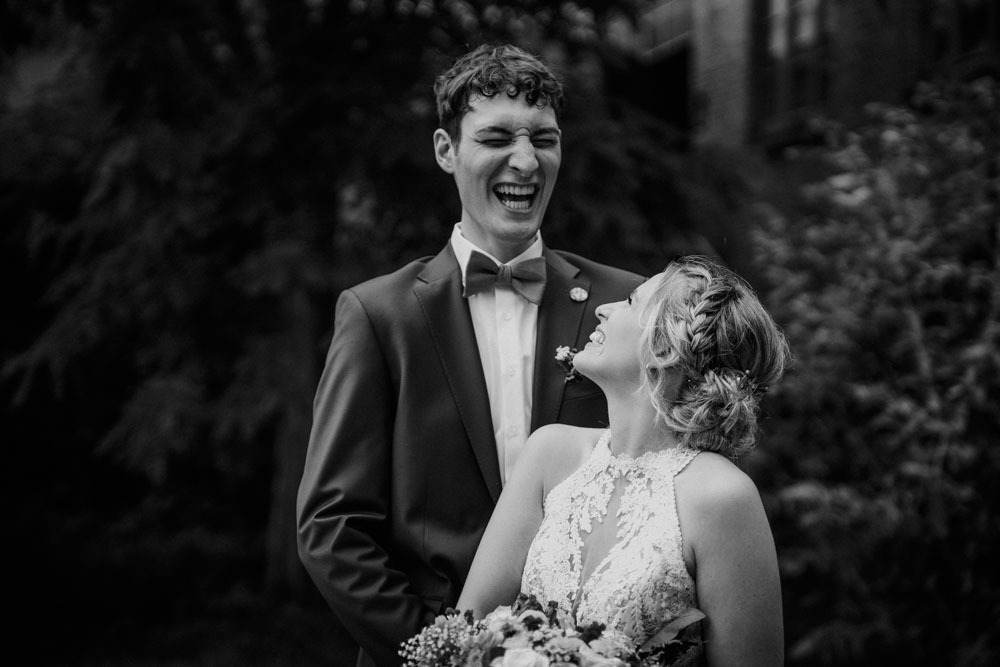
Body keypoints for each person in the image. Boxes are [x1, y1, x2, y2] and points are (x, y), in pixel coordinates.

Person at [296, 43, 643, 667]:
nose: (525, 160)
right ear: (445, 150)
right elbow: (332, 525)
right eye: (497, 138)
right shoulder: (379, 316)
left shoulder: (626, 307)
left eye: (543, 139)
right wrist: (441, 655)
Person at [457, 255, 791, 666]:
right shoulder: (548, 454)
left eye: (631, 302)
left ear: (664, 347)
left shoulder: (722, 496)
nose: (603, 308)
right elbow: (464, 633)